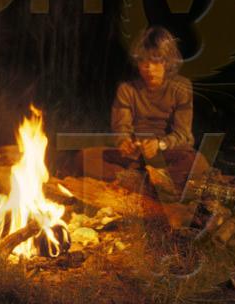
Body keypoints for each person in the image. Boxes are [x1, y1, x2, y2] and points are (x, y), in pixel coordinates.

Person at [76, 26, 208, 201]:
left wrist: (160, 144)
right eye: (143, 62)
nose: (149, 68)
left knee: (199, 165)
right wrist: (124, 142)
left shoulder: (181, 87)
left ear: (167, 62)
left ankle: (137, 181)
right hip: (136, 154)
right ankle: (147, 183)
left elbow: (182, 133)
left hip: (168, 152)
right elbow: (121, 127)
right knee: (86, 157)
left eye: (156, 61)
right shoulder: (127, 89)